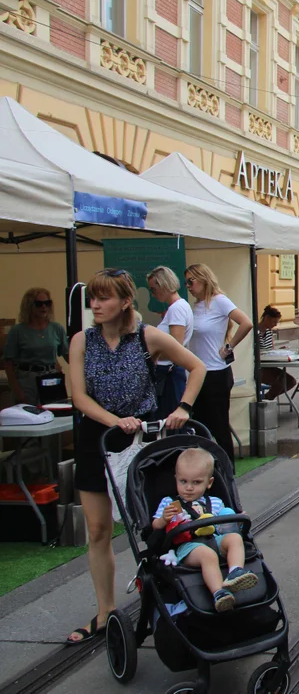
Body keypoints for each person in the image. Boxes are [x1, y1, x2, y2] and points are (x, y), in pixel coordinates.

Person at [67, 269, 206, 644]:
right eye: (92, 298)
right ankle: (104, 611)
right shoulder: (82, 340)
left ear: (125, 301)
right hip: (98, 436)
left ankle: (174, 596)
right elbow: (78, 397)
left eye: (104, 298)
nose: (95, 305)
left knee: (151, 525)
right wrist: (115, 421)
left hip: (142, 440)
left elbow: (197, 366)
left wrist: (184, 407)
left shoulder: (147, 337)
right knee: (98, 530)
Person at [152, 448, 257, 612]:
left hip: (214, 540)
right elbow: (155, 527)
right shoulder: (169, 503)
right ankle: (219, 593)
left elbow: (224, 524)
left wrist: (237, 519)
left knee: (234, 539)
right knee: (208, 555)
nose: (188, 488)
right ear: (176, 480)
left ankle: (236, 571)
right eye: (183, 481)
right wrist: (163, 519)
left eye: (196, 482)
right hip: (188, 547)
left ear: (209, 483)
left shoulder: (215, 502)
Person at [184, 264, 252, 464]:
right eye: (186, 282)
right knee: (199, 424)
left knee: (219, 424)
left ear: (203, 279)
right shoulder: (194, 307)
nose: (188, 286)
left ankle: (226, 469)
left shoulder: (219, 301)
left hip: (215, 373)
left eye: (191, 281)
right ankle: (205, 468)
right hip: (197, 373)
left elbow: (246, 323)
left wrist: (229, 347)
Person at [3, 288, 68, 405]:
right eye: (39, 304)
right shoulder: (17, 331)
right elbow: (8, 363)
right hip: (27, 379)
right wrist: (17, 391)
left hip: (50, 377)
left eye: (47, 303)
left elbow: (68, 355)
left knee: (54, 413)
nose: (44, 307)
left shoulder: (56, 328)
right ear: (29, 306)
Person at [147, 267, 193, 419]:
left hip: (169, 372)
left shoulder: (176, 308)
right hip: (170, 370)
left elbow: (175, 347)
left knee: (168, 419)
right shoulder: (179, 306)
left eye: (154, 289)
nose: (153, 294)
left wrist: (152, 353)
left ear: (164, 285)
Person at [256, 306, 296, 400]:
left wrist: (279, 350)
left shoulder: (269, 332)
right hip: (260, 367)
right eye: (274, 322)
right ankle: (267, 399)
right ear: (266, 318)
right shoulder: (255, 332)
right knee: (280, 383)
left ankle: (267, 397)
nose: (275, 325)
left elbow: (270, 349)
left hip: (270, 365)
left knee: (291, 381)